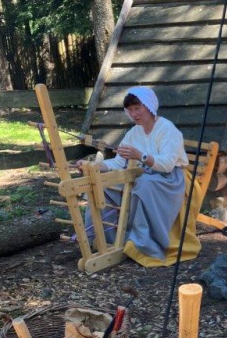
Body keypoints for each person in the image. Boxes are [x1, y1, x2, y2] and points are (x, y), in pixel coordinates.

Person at [78, 86, 189, 262]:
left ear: (149, 106)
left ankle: (143, 245)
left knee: (142, 186)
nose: (134, 114)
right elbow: (118, 163)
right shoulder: (133, 132)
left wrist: (141, 156)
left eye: (138, 108)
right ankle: (106, 241)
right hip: (139, 174)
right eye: (130, 110)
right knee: (104, 186)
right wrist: (94, 166)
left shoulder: (167, 129)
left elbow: (168, 165)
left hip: (167, 179)